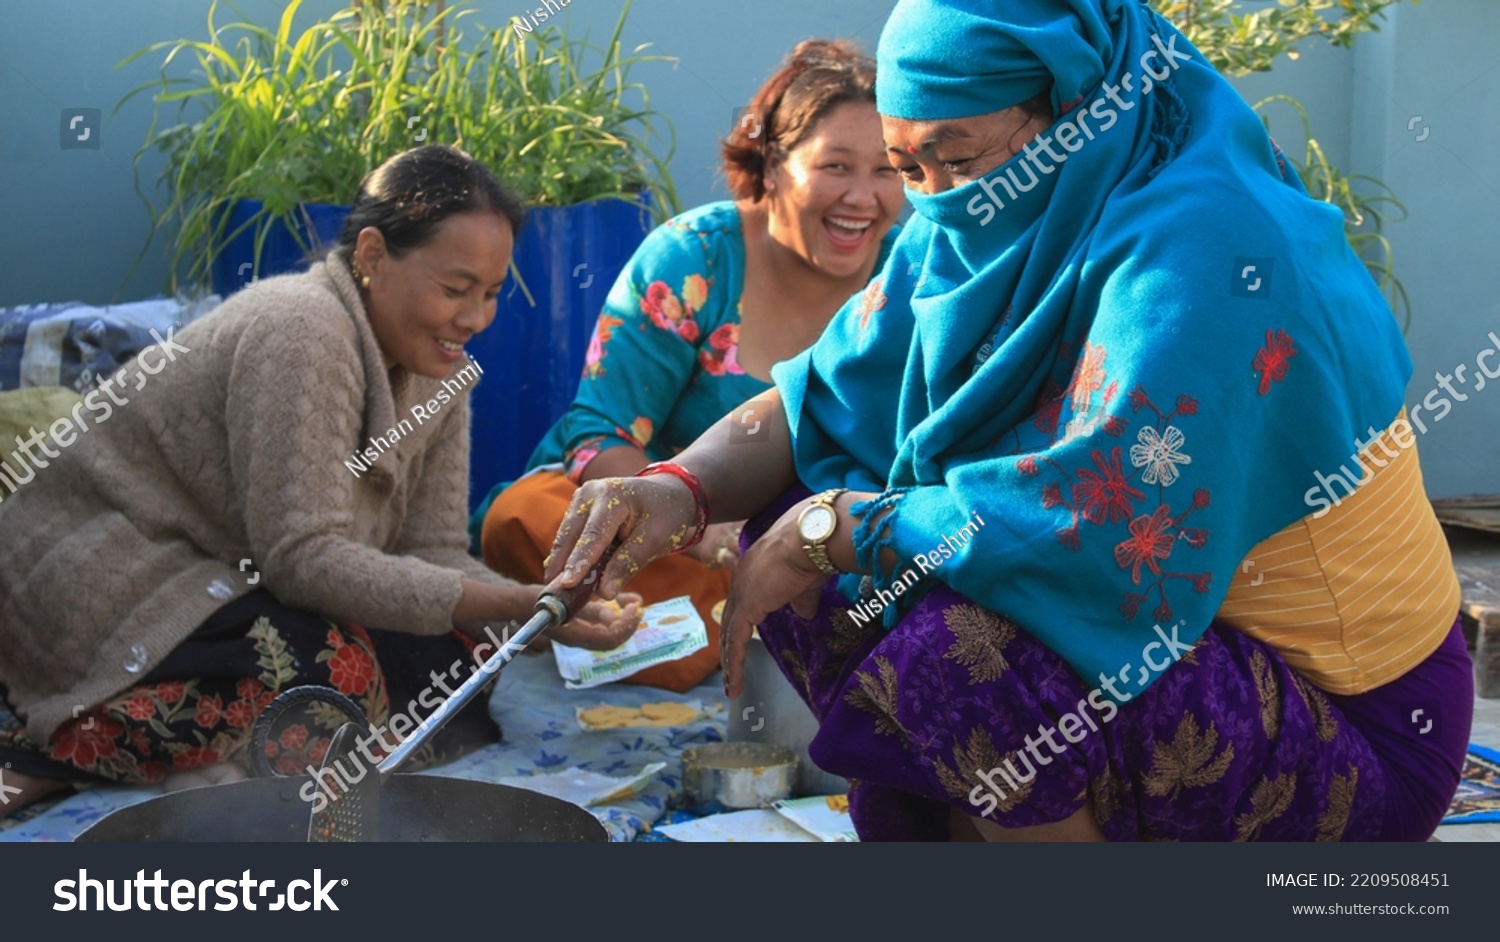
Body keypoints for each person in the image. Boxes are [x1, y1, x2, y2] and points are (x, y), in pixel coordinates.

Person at [545, 0, 1473, 841]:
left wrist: (846, 525)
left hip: (1354, 728)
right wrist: (680, 485)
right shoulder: (976, 225)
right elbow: (820, 396)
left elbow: (1098, 537)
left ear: (1076, 107)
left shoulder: (1213, 252)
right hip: (1180, 653)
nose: (938, 197)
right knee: (806, 551)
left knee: (966, 656)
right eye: (914, 166)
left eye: (960, 156)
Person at [0, 145, 639, 817]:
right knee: (319, 665)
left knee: (460, 660)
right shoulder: (300, 328)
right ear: (370, 255)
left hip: (239, 577)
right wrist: (506, 607)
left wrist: (542, 613)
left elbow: (433, 548)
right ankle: (50, 753)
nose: (475, 319)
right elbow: (301, 559)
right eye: (455, 289)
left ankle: (210, 756)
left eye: (491, 293)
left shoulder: (443, 369)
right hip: (108, 571)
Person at [475, 40, 903, 691]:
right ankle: (727, 631)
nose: (862, 198)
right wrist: (700, 528)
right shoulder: (694, 257)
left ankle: (737, 627)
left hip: (825, 541)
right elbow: (597, 432)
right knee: (527, 514)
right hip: (673, 537)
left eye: (888, 170)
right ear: (773, 164)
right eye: (835, 167)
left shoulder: (914, 273)